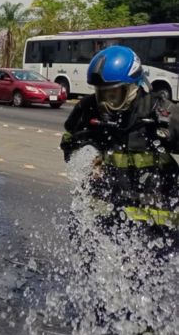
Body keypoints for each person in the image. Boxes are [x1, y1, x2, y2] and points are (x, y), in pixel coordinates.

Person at [61, 45, 179, 230]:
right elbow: (69, 141)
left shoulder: (163, 114)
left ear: (133, 87)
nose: (105, 104)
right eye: (101, 94)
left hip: (157, 229)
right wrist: (84, 153)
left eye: (113, 94)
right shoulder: (87, 108)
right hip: (102, 223)